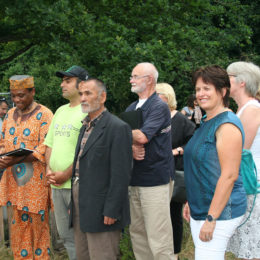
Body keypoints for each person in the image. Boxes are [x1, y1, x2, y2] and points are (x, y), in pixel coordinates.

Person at [183, 65, 247, 260]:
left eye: (207, 88)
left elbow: (229, 175)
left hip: (219, 212)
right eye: (198, 89)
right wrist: (190, 201)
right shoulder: (207, 120)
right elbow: (202, 167)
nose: (201, 94)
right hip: (201, 207)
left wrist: (211, 218)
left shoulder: (226, 125)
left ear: (223, 91)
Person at [70, 78, 132, 260]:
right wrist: (72, 204)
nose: (82, 98)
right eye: (81, 93)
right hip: (80, 201)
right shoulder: (84, 126)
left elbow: (121, 174)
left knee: (102, 255)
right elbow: (79, 168)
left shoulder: (117, 128)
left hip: (103, 208)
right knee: (82, 255)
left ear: (102, 96)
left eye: (88, 93)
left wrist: (112, 209)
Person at [0, 75, 53, 259]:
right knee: (17, 231)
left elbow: (45, 147)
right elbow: (2, 142)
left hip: (36, 185)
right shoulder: (8, 115)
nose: (16, 100)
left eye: (21, 95)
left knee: (38, 231)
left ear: (33, 91)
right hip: (13, 185)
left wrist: (15, 160)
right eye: (14, 96)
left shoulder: (45, 114)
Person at [126, 62, 174, 260]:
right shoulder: (131, 107)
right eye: (132, 76)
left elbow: (143, 136)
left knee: (159, 239)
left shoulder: (159, 106)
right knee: (138, 235)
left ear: (150, 80)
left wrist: (116, 131)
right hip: (134, 180)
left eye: (136, 76)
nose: (131, 80)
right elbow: (131, 139)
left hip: (155, 181)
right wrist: (131, 147)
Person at [45, 65, 89, 260]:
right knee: (65, 236)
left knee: (82, 236)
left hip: (77, 185)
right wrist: (48, 169)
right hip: (56, 185)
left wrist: (66, 173)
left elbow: (87, 152)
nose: (62, 85)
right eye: (62, 81)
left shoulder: (88, 111)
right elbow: (49, 144)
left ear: (82, 84)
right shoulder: (60, 110)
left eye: (67, 81)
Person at [156, 83, 196, 260]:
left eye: (158, 95)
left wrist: (177, 150)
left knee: (173, 216)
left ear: (168, 98)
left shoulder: (180, 120)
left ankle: (174, 254)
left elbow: (194, 143)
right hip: (152, 175)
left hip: (173, 175)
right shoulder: (150, 118)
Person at [226, 61, 260, 260]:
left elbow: (240, 150)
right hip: (245, 181)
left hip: (253, 182)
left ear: (242, 82)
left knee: (254, 246)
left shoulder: (252, 109)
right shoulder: (243, 109)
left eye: (228, 76)